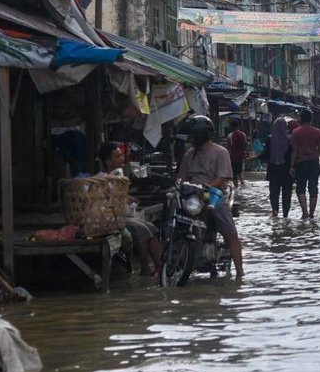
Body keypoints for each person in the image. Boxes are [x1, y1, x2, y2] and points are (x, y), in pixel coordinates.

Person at [178, 116, 244, 278]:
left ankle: (240, 272)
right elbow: (182, 178)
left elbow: (223, 178)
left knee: (230, 233)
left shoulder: (220, 152)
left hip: (212, 193)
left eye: (193, 136)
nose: (191, 139)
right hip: (192, 196)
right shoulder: (189, 154)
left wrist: (206, 189)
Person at [98, 141, 163, 276]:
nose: (122, 159)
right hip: (109, 219)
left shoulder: (117, 176)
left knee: (151, 227)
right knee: (141, 229)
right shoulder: (100, 180)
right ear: (108, 161)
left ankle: (160, 265)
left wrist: (127, 197)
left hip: (121, 215)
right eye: (118, 156)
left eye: (122, 155)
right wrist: (123, 199)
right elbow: (104, 201)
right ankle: (146, 268)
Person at [290, 110, 320, 219]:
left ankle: (305, 212)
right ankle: (311, 214)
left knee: (300, 189)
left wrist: (291, 166)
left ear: (301, 119)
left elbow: (294, 150)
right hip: (314, 163)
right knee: (313, 189)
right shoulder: (317, 132)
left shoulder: (295, 132)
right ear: (311, 119)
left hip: (300, 163)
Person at [264, 117, 294, 218]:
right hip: (286, 170)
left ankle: (275, 211)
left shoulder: (269, 139)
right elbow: (293, 155)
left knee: (274, 192)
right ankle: (285, 215)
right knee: (287, 193)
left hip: (273, 169)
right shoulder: (290, 139)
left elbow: (266, 155)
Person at [227, 119, 248, 188]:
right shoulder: (243, 134)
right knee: (240, 171)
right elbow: (245, 145)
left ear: (232, 126)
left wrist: (227, 157)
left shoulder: (230, 135)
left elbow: (229, 147)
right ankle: (242, 184)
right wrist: (247, 154)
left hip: (232, 157)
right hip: (241, 157)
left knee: (234, 173)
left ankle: (236, 187)